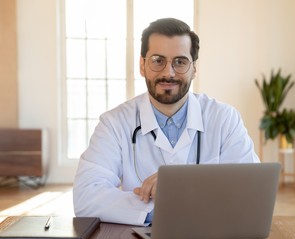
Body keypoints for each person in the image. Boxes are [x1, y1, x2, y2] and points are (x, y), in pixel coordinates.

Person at [73, 18, 259, 226]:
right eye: (157, 60)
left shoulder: (224, 118)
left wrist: (185, 186)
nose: (168, 72)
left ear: (194, 69)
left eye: (180, 62)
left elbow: (252, 191)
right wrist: (166, 210)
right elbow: (86, 197)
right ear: (142, 65)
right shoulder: (115, 123)